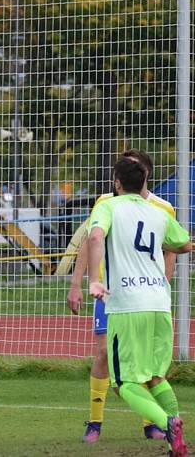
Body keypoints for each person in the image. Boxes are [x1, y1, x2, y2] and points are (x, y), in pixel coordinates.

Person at [87, 156, 191, 457]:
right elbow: (184, 244)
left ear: (117, 183)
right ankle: (177, 430)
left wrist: (94, 279)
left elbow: (95, 236)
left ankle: (168, 422)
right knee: (154, 376)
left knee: (125, 383)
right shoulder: (158, 213)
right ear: (144, 182)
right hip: (159, 303)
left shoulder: (109, 206)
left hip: (128, 305)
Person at [66, 149, 172, 443]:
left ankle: (151, 423)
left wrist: (162, 286)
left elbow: (171, 249)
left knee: (148, 362)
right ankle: (95, 422)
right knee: (103, 354)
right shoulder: (105, 203)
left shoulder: (163, 208)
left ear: (145, 174)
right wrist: (77, 284)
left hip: (147, 297)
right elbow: (89, 241)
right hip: (111, 294)